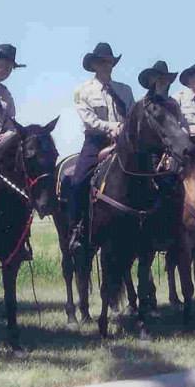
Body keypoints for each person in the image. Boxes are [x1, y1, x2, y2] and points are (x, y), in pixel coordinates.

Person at [68, 42, 135, 251]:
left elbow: (133, 117)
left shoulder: (125, 90)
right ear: (94, 65)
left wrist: (124, 130)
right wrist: (111, 127)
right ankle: (77, 228)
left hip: (124, 142)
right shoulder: (83, 91)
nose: (107, 65)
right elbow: (88, 119)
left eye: (109, 61)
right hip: (96, 142)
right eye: (102, 62)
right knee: (78, 180)